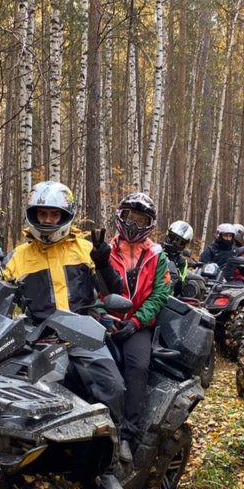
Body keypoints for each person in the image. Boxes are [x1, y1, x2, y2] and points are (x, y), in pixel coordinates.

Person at [3, 180, 133, 489]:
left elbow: (112, 290)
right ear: (33, 215)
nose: (47, 221)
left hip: (82, 331)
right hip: (37, 336)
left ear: (67, 215)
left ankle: (108, 465)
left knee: (112, 386)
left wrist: (103, 261)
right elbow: (0, 303)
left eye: (54, 214)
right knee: (27, 400)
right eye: (42, 214)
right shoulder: (18, 256)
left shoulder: (84, 248)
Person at [97, 192, 171, 464]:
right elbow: (93, 287)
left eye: (141, 219)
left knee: (137, 367)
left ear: (149, 223)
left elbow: (160, 294)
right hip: (104, 319)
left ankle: (128, 435)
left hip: (138, 324)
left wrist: (137, 321)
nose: (134, 224)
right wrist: (101, 312)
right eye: (130, 217)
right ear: (120, 217)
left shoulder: (156, 255)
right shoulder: (104, 250)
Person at [199, 223, 244, 292]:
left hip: (227, 283)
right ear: (219, 236)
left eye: (230, 236)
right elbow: (201, 266)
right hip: (209, 281)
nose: (228, 239)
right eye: (225, 236)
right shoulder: (211, 250)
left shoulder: (234, 251)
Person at [161, 220, 194, 297]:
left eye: (180, 242)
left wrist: (178, 278)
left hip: (168, 295)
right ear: (168, 235)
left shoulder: (182, 261)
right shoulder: (155, 250)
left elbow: (182, 281)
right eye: (173, 238)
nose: (175, 242)